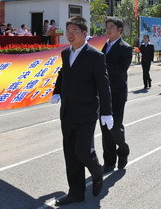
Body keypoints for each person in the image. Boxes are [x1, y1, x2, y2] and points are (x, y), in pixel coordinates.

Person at [50, 17, 113, 205]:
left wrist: (107, 112)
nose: (70, 34)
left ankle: (97, 171)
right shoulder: (65, 54)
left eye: (74, 31)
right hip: (67, 111)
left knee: (83, 151)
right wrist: (57, 91)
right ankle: (75, 193)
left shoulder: (95, 56)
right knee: (70, 153)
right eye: (68, 30)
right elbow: (63, 73)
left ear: (84, 33)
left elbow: (104, 86)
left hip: (86, 112)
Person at [101, 17, 133, 173]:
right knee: (105, 129)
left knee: (115, 128)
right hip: (103, 94)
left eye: (111, 27)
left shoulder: (125, 48)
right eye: (106, 26)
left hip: (118, 94)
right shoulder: (103, 46)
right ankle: (109, 161)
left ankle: (123, 149)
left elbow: (121, 69)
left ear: (119, 29)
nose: (108, 29)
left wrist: (102, 60)